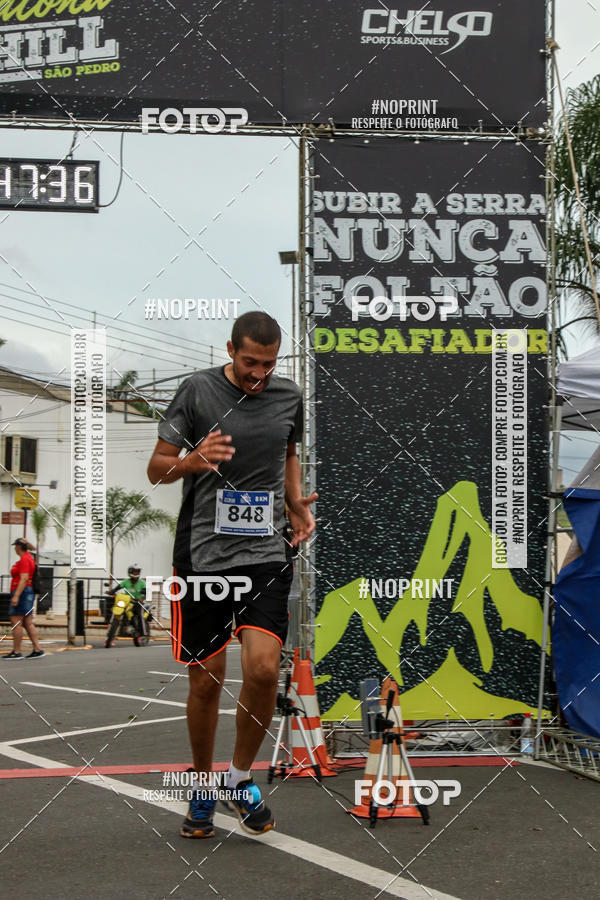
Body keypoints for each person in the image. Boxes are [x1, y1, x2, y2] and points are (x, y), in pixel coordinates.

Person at [147, 311, 317, 839]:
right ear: (230, 350)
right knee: (207, 678)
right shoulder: (195, 392)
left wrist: (293, 503)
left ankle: (241, 779)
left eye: (268, 364)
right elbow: (157, 467)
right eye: (249, 363)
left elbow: (287, 454)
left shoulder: (289, 397)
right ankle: (200, 786)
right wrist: (193, 461)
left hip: (264, 553)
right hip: (202, 557)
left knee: (265, 669)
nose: (258, 375)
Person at [2, 538, 45, 660]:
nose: (14, 548)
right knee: (27, 622)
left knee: (16, 622)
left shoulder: (25, 559)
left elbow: (24, 578)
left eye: (15, 546)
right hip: (27, 592)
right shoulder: (28, 557)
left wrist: (16, 595)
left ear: (18, 547)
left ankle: (17, 651)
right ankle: (37, 648)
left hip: (22, 592)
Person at [105, 564, 147, 638]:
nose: (136, 573)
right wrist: (111, 592)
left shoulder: (142, 583)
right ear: (130, 572)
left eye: (137, 572)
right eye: (134, 572)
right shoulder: (126, 582)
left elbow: (147, 592)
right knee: (116, 607)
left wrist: (142, 598)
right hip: (127, 602)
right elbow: (117, 588)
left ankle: (143, 632)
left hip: (137, 602)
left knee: (140, 613)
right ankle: (113, 629)